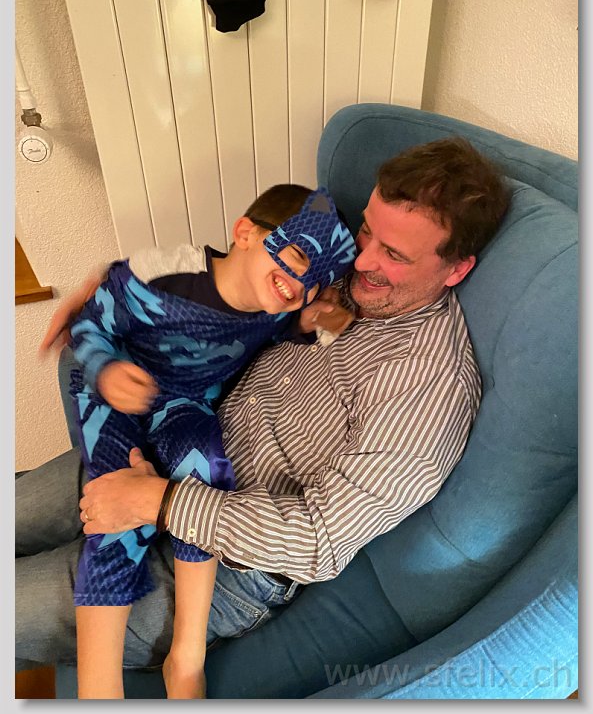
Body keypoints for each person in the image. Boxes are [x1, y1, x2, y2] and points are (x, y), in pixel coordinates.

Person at [16, 137, 510, 697]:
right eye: (367, 232)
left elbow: (322, 542)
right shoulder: (335, 273)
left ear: (456, 269)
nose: (362, 262)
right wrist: (113, 293)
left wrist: (160, 502)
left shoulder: (426, 385)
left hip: (226, 558)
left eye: (394, 255)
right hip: (164, 440)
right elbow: (230, 278)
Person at [51, 183, 357, 700]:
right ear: (244, 233)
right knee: (118, 514)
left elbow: (289, 328)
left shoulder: (280, 307)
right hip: (113, 398)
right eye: (299, 257)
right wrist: (105, 369)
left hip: (183, 405)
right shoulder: (161, 274)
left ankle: (186, 657)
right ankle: (98, 688)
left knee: (208, 469)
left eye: (317, 281)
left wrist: (315, 320)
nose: (302, 284)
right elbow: (87, 325)